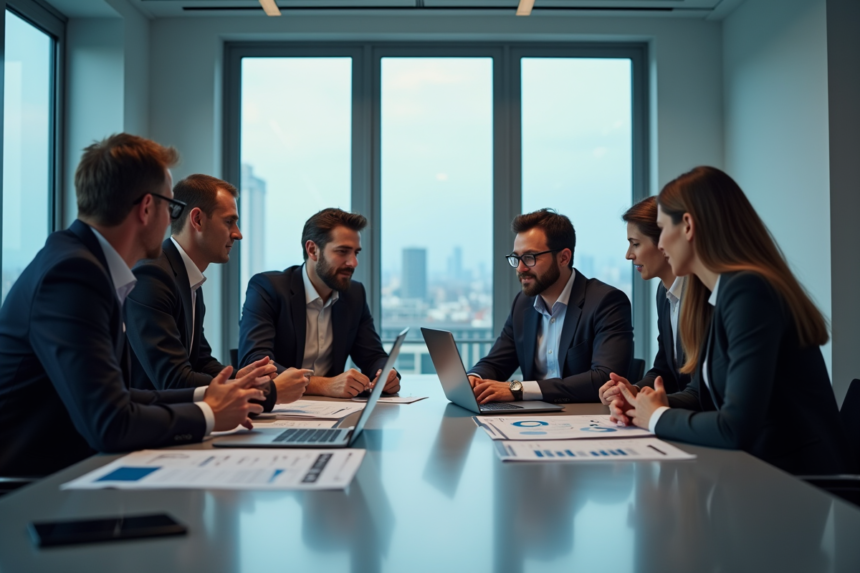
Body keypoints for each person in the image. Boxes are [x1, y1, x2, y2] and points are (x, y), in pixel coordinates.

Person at [0, 134, 273, 478]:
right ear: (147, 208)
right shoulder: (73, 275)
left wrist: (211, 397)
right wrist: (209, 414)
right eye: (171, 206)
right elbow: (111, 422)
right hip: (32, 487)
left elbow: (123, 396)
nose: (173, 219)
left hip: (69, 470)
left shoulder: (87, 265)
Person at [610, 166, 854, 475]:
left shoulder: (749, 291)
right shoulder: (721, 294)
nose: (658, 245)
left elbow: (736, 428)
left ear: (687, 226)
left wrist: (656, 417)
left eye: (662, 229)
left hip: (801, 484)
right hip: (762, 473)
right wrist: (641, 407)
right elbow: (702, 394)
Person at [125, 174, 309, 404]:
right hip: (152, 427)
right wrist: (265, 391)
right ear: (198, 220)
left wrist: (238, 376)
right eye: (229, 221)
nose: (238, 234)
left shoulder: (185, 277)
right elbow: (173, 380)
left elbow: (201, 361)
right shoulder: (153, 276)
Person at [467, 209, 634, 404]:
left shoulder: (606, 302)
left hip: (585, 419)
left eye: (530, 257)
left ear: (563, 258)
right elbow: (496, 362)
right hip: (533, 422)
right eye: (517, 258)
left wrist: (518, 389)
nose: (521, 268)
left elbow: (604, 378)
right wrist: (475, 378)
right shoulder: (523, 304)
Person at [239, 208, 400, 398]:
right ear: (312, 250)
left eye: (356, 253)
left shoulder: (354, 294)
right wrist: (323, 385)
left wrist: (385, 374)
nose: (353, 262)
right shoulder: (268, 288)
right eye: (342, 252)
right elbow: (256, 363)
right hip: (279, 408)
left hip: (333, 411)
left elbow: (373, 356)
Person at [598, 197, 690, 407]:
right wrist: (634, 391)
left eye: (636, 244)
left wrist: (644, 404)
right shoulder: (663, 293)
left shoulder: (704, 297)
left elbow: (701, 391)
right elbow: (664, 370)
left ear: (664, 242)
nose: (629, 255)